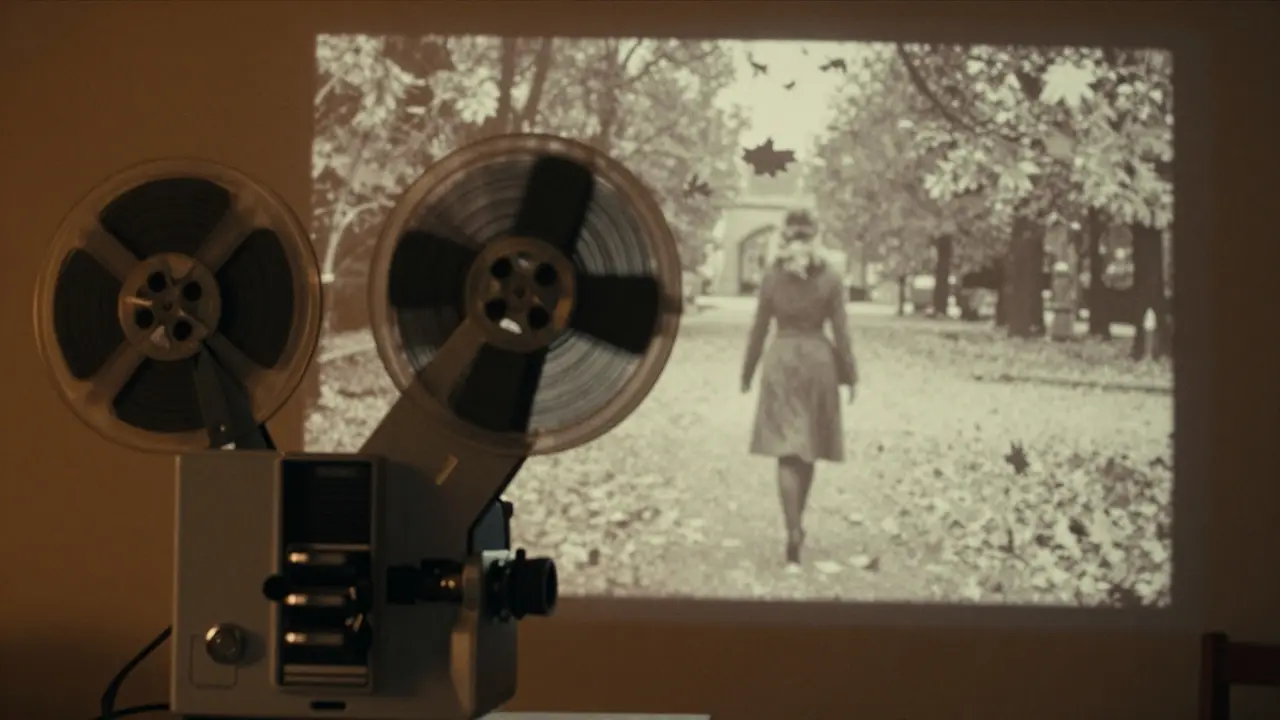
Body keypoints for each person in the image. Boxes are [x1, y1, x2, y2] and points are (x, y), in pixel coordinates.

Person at [740, 209, 857, 566]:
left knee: (785, 450)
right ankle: (797, 524)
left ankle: (792, 529)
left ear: (784, 236)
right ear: (815, 236)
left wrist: (747, 370)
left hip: (782, 362)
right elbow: (841, 331)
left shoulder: (771, 276)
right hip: (818, 363)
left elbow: (759, 327)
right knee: (809, 448)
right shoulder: (831, 277)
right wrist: (851, 374)